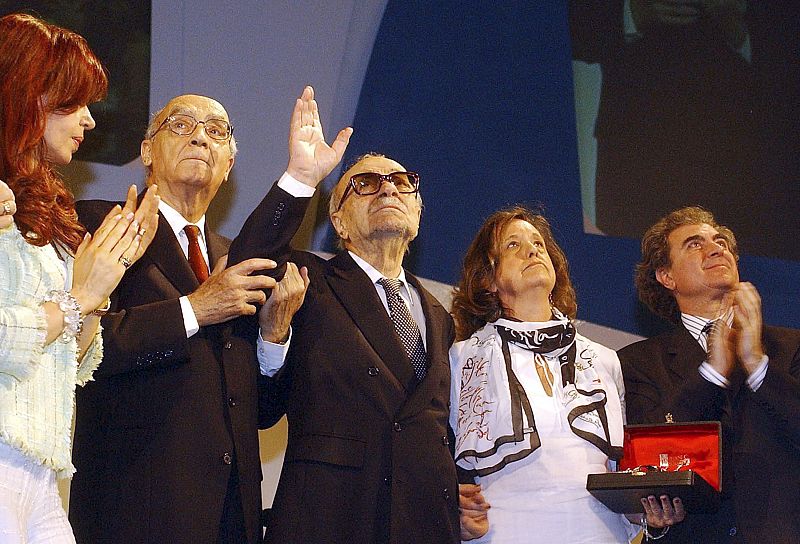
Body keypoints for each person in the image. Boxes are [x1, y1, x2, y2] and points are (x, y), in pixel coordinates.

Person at [225, 86, 460, 544]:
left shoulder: (438, 315)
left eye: (400, 182)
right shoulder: (312, 279)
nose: (387, 187)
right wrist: (300, 177)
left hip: (423, 522)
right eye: (366, 184)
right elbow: (246, 260)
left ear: (417, 212)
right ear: (339, 220)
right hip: (330, 518)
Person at [68, 93, 303, 544]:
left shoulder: (236, 256)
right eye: (180, 125)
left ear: (229, 164)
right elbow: (86, 351)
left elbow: (261, 414)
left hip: (232, 518)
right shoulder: (101, 225)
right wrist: (195, 309)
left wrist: (273, 339)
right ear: (146, 151)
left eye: (216, 131)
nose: (199, 136)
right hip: (133, 508)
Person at [0, 13, 158, 543]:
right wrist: (78, 298)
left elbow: (73, 356)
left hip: (40, 475)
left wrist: (103, 283)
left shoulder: (46, 211)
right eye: (74, 102)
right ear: (26, 96)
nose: (90, 121)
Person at [449, 206, 651, 543]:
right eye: (513, 245)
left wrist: (645, 509)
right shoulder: (461, 359)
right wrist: (452, 507)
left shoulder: (604, 361)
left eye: (538, 244)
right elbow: (439, 463)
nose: (531, 250)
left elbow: (620, 477)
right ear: (487, 279)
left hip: (599, 535)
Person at [619, 206, 800, 541]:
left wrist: (758, 365)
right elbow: (648, 456)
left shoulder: (790, 346)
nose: (717, 248)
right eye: (694, 244)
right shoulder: (637, 363)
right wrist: (711, 375)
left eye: (720, 242)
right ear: (666, 277)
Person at [569, 1, 800, 259]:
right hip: (638, 158)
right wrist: (633, 12)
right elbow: (568, 26)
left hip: (746, 162)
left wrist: (740, 31)